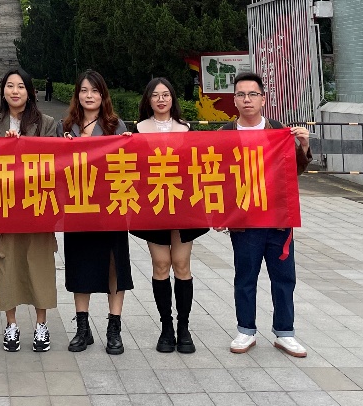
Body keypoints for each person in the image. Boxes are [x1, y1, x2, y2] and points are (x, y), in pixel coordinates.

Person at [222, 72, 311, 358]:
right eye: (241, 95)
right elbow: (217, 177)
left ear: (263, 99)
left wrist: (304, 145)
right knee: (245, 276)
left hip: (278, 218)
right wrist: (220, 214)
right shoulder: (225, 133)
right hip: (244, 220)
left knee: (284, 277)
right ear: (234, 100)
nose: (247, 100)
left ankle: (285, 332)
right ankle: (245, 329)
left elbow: (294, 170)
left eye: (252, 94)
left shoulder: (278, 130)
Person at [0, 68, 62, 354]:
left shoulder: (47, 123)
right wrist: (3, 146)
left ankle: (41, 325)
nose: (15, 91)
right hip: (5, 208)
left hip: (38, 207)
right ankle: (11, 324)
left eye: (20, 87)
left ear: (30, 92)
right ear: (3, 91)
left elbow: (54, 163)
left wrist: (23, 146)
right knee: (8, 264)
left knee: (40, 265)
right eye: (10, 86)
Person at [131, 77, 208, 354]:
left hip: (182, 204)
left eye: (166, 94)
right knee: (161, 264)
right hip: (153, 204)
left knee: (181, 264)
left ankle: (183, 327)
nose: (161, 99)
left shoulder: (186, 129)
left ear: (172, 98)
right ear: (148, 100)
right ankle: (166, 327)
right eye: (155, 95)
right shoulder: (138, 130)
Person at [62, 69, 133, 355]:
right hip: (77, 207)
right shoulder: (66, 126)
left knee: (115, 265)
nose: (89, 96)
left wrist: (129, 143)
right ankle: (82, 328)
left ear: (103, 95)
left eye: (94, 90)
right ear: (77, 95)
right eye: (84, 90)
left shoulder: (116, 125)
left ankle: (114, 328)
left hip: (111, 207)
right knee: (80, 264)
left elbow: (128, 164)